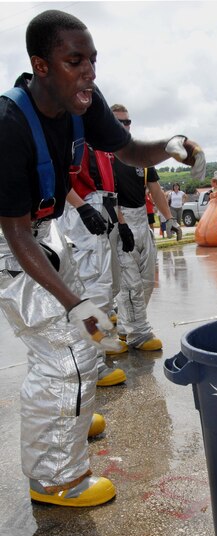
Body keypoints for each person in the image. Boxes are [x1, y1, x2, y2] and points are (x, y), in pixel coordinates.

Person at [0, 9, 205, 508]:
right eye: (75, 61)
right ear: (40, 65)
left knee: (88, 343)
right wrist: (73, 302)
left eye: (92, 59)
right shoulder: (8, 125)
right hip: (12, 242)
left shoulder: (81, 100)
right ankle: (54, 479)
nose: (89, 71)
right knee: (66, 354)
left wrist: (171, 145)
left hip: (46, 232)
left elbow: (129, 149)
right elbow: (16, 235)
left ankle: (64, 415)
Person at [59, 142, 132, 387]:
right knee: (93, 290)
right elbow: (60, 178)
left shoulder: (100, 144)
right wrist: (82, 208)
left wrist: (121, 222)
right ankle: (93, 365)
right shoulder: (74, 137)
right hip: (83, 212)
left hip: (105, 209)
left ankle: (103, 346)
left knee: (110, 288)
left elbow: (110, 189)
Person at [111, 103, 182, 351]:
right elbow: (108, 195)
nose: (124, 126)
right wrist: (121, 225)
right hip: (121, 224)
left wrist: (169, 219)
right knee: (130, 284)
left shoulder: (139, 155)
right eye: (118, 121)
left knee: (147, 283)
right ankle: (138, 333)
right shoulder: (106, 156)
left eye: (127, 122)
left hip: (144, 222)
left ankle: (124, 324)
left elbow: (155, 190)